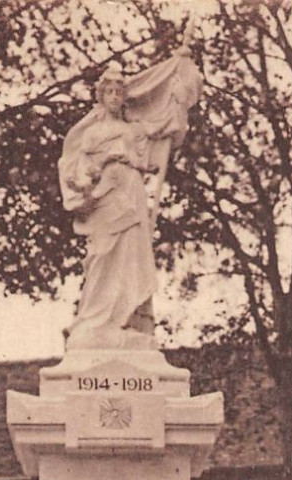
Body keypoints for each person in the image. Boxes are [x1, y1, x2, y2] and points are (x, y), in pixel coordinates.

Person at [59, 49, 202, 350]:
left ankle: (125, 320)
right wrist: (89, 178)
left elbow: (165, 127)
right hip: (106, 196)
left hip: (132, 191)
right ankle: (94, 321)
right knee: (101, 254)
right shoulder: (93, 133)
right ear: (101, 96)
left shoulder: (132, 130)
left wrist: (177, 90)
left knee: (132, 256)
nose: (114, 96)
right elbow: (84, 169)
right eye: (108, 91)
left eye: (118, 91)